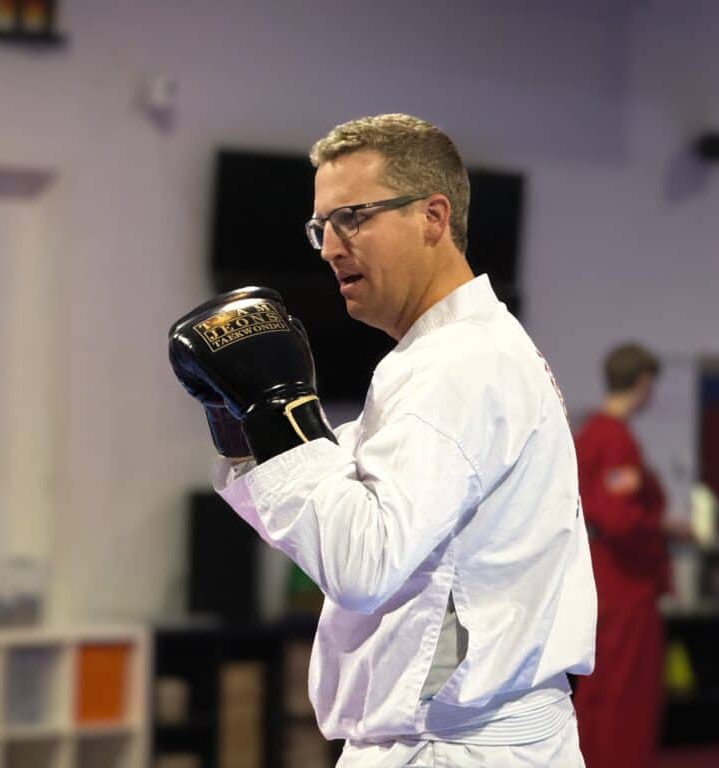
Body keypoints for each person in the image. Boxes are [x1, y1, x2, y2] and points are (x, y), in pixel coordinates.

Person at [168, 114, 596, 767]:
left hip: (451, 744)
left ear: (433, 217)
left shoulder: (455, 365)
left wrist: (278, 409)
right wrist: (242, 427)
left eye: (354, 218)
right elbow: (343, 511)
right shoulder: (457, 353)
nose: (330, 247)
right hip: (467, 736)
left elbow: (362, 565)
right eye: (321, 226)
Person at [572, 343, 688, 768]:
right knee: (626, 696)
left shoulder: (589, 434)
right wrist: (663, 527)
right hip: (625, 585)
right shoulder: (615, 441)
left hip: (600, 579)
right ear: (643, 382)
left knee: (600, 691)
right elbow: (621, 520)